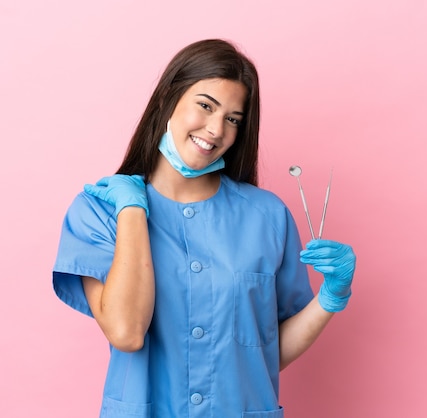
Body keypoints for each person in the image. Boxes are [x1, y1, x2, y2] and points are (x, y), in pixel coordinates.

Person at [52, 38, 356, 418]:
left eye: (232, 119)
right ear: (168, 99)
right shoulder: (98, 211)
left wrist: (331, 297)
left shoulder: (267, 216)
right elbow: (126, 332)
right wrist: (131, 209)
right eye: (205, 106)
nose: (215, 130)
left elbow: (266, 353)